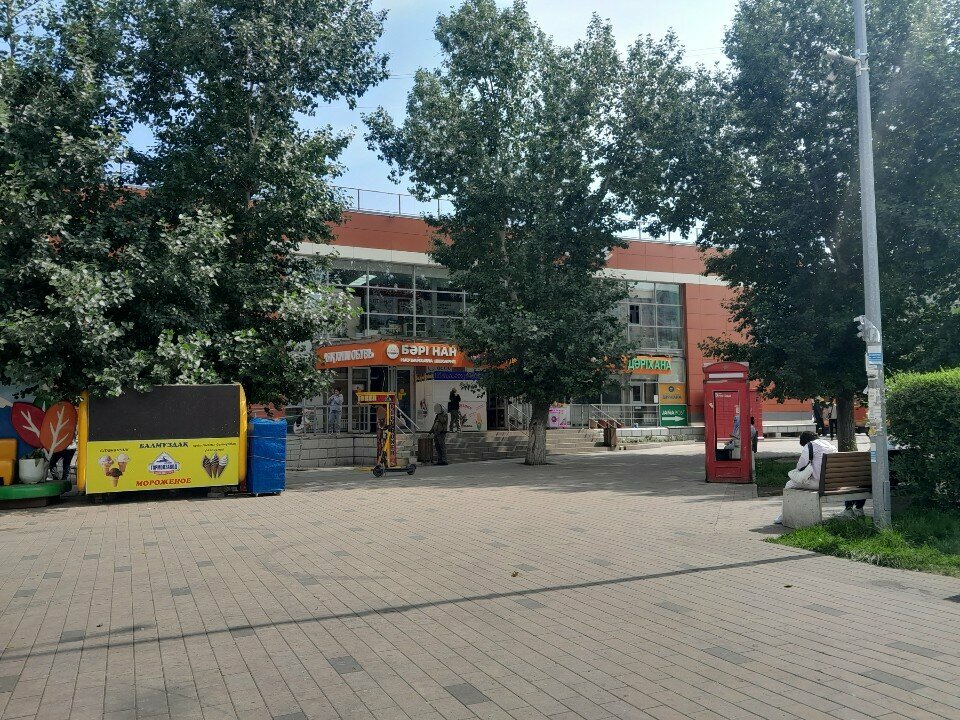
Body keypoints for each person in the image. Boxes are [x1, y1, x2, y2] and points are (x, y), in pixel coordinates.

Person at [773, 431, 836, 525]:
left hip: (817, 483)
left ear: (805, 441)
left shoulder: (810, 446)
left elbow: (800, 466)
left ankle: (783, 516)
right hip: (833, 483)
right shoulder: (830, 445)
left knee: (789, 484)